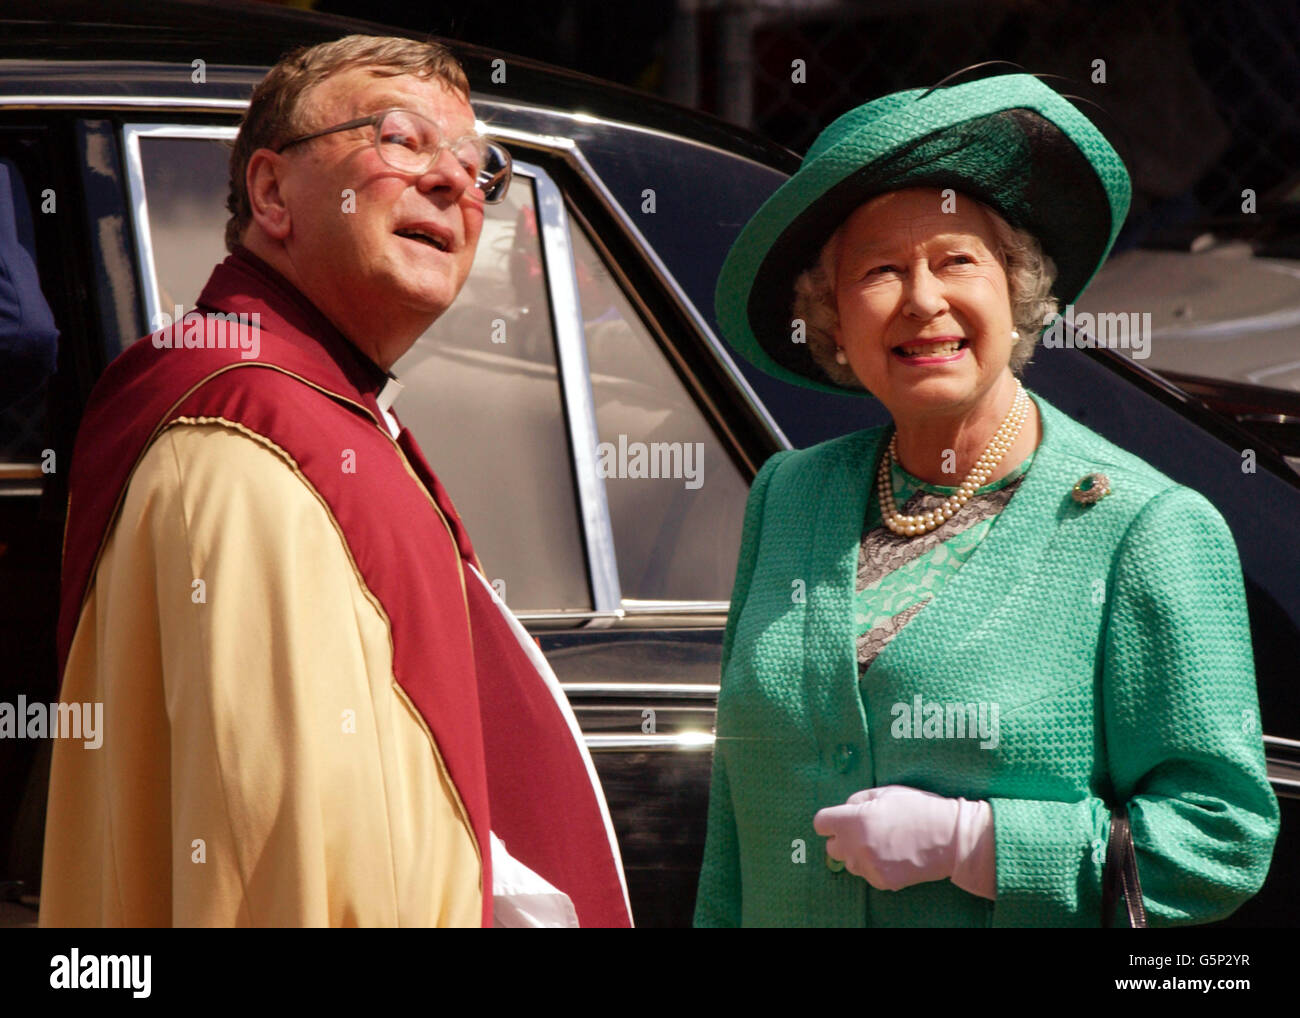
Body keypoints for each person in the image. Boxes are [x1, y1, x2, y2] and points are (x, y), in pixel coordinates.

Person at [40, 34, 631, 928]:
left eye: (482, 169)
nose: (455, 184)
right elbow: (268, 846)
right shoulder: (243, 436)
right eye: (401, 140)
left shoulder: (315, 409)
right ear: (272, 193)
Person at [694, 72, 1278, 927]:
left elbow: (1221, 839)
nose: (924, 299)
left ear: (1017, 291)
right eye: (880, 271)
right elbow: (733, 826)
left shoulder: (1144, 529)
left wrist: (977, 845)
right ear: (834, 325)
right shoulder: (791, 494)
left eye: (955, 259)